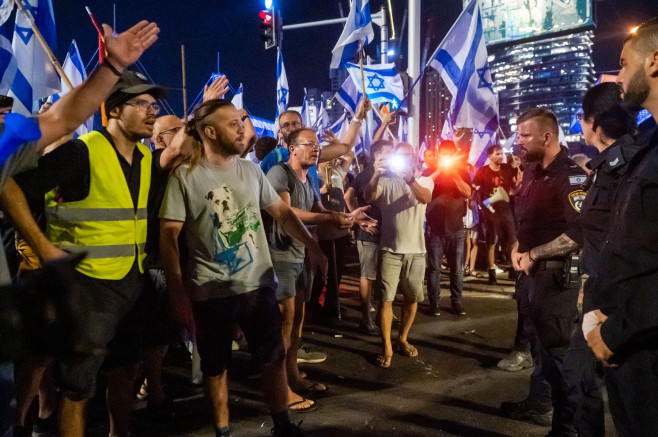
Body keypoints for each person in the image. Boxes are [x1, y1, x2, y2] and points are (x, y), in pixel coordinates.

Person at [160, 99, 327, 437]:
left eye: (242, 121)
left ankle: (282, 423)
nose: (242, 128)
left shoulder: (250, 170)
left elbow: (281, 213)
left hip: (258, 285)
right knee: (216, 365)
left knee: (272, 357)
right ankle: (222, 430)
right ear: (209, 131)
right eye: (233, 122)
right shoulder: (185, 176)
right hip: (211, 290)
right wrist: (178, 292)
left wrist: (313, 245)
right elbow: (168, 236)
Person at [265, 127, 374, 412]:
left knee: (299, 320)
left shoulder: (308, 177)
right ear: (292, 148)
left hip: (301, 255)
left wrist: (350, 218)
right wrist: (329, 220)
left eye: (317, 144)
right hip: (281, 256)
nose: (316, 148)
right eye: (309, 144)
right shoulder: (280, 173)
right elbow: (286, 212)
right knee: (284, 323)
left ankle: (293, 377)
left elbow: (319, 210)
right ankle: (281, 390)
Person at [584, 19, 658, 436]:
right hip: (630, 345)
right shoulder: (650, 148)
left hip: (642, 340)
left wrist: (617, 330)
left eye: (624, 64)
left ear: (654, 61)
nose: (617, 76)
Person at [501, 108, 587, 436]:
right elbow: (530, 218)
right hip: (532, 278)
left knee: (560, 357)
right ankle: (539, 402)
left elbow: (578, 232)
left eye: (524, 135)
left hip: (556, 279)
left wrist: (534, 253)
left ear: (546, 137)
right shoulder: (535, 171)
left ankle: (566, 428)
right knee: (541, 351)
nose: (518, 141)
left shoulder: (572, 175)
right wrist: (517, 247)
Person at [566, 82, 641, 436]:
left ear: (593, 122)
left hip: (619, 303)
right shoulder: (605, 166)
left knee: (628, 399)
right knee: (581, 379)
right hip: (598, 291)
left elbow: (629, 242)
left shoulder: (628, 165)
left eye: (583, 119)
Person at [364, 142, 433, 368]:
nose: (403, 160)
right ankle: (386, 346)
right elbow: (369, 195)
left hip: (417, 252)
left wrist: (410, 180)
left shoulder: (424, 180)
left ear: (414, 158)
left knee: (412, 297)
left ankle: (402, 338)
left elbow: (425, 198)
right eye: (399, 157)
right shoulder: (384, 181)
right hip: (390, 251)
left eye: (407, 156)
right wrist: (375, 173)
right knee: (386, 300)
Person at [345, 140, 395, 335]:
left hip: (389, 233)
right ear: (377, 155)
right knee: (368, 275)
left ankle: (383, 313)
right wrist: (358, 220)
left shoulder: (393, 173)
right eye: (388, 153)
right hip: (370, 233)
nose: (392, 156)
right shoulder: (366, 174)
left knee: (384, 276)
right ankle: (365, 318)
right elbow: (348, 196)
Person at [423, 141, 471, 316]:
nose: (446, 158)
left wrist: (454, 174)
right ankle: (434, 302)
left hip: (457, 228)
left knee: (456, 269)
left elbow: (467, 192)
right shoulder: (429, 172)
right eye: (443, 154)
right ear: (439, 155)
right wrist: (439, 172)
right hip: (435, 227)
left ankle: (456, 301)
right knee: (434, 268)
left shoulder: (463, 173)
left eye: (449, 155)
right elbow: (422, 189)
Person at [473, 144, 520, 285]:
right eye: (498, 154)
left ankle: (514, 268)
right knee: (491, 241)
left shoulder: (506, 168)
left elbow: (514, 186)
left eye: (501, 154)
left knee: (513, 239)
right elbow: (474, 187)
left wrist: (517, 175)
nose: (501, 156)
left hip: (505, 209)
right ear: (490, 156)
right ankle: (492, 271)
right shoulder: (483, 171)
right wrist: (478, 203)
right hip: (490, 210)